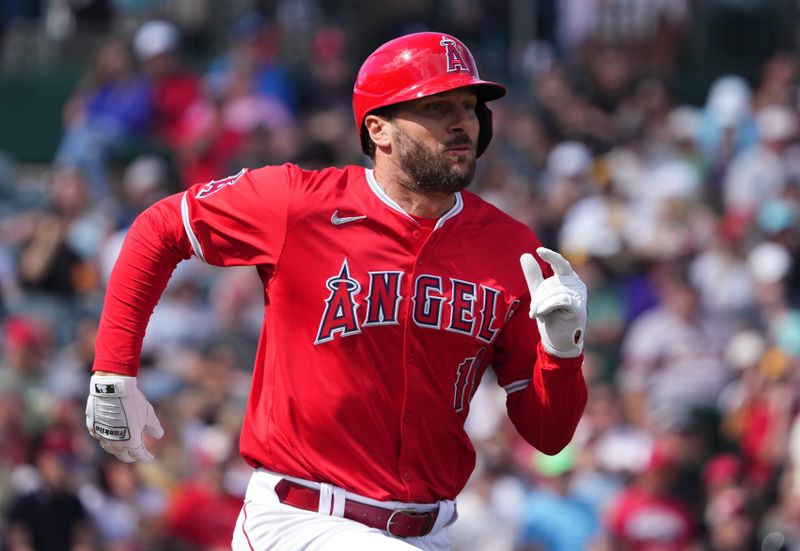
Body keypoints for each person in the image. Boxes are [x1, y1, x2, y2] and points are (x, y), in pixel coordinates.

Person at [84, 31, 589, 550]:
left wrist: (563, 351)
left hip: (429, 531)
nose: (462, 121)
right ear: (379, 129)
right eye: (437, 107)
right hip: (301, 518)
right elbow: (159, 227)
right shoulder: (300, 204)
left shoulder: (511, 245)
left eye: (468, 105)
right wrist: (113, 372)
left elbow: (548, 435)